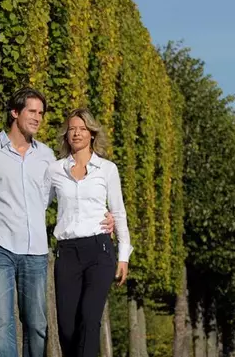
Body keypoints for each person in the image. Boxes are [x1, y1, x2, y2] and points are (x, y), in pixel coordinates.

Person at [0, 87, 114, 357]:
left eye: (41, 113)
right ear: (15, 112)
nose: (38, 117)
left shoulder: (48, 157)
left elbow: (68, 195)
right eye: (32, 111)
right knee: (2, 326)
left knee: (38, 326)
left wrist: (104, 217)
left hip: (36, 251)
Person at [43, 108, 133, 357]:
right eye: (72, 128)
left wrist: (124, 255)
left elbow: (119, 212)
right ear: (66, 134)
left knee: (90, 319)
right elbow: (39, 206)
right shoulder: (54, 171)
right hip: (67, 253)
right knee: (67, 328)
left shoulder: (107, 169)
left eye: (82, 129)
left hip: (99, 250)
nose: (77, 133)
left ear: (92, 134)